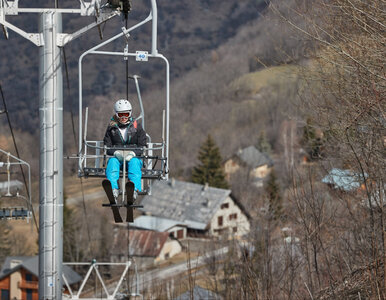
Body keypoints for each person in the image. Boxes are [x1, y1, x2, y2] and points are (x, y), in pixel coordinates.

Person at [103, 99, 147, 200]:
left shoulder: (137, 127)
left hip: (132, 158)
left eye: (126, 114)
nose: (123, 117)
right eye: (120, 114)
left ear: (130, 114)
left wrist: (133, 153)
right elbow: (107, 146)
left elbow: (143, 145)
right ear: (116, 114)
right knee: (112, 162)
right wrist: (116, 153)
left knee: (135, 163)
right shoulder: (111, 128)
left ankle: (134, 189)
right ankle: (113, 189)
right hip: (118, 158)